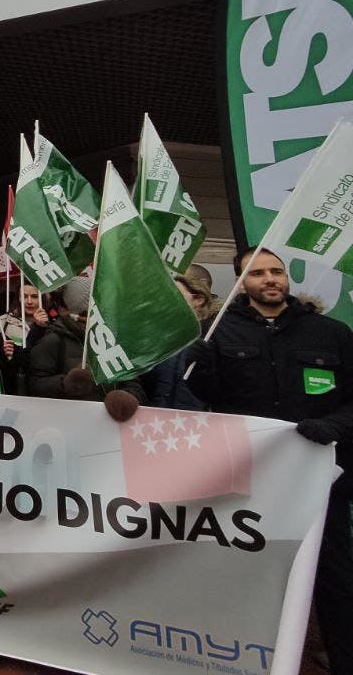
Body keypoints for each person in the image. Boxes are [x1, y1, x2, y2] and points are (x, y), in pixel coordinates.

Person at [186, 246, 353, 674]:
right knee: (250, 569)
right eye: (258, 273)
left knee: (333, 571)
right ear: (242, 283)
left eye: (276, 271)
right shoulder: (217, 333)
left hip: (320, 476)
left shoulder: (330, 333)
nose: (270, 279)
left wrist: (334, 425)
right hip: (253, 477)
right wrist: (200, 367)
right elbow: (210, 398)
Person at [27, 275, 143, 420]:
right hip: (68, 423)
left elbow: (133, 383)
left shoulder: (111, 341)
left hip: (108, 427)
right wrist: (65, 384)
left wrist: (127, 397)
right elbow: (34, 385)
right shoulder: (54, 340)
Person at [144, 274, 210, 410]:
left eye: (172, 292)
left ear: (198, 299)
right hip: (153, 419)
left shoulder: (213, 337)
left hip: (196, 420)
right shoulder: (152, 338)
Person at [0, 283, 50, 396]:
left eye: (34, 297)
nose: (29, 301)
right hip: (14, 386)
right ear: (18, 298)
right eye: (24, 296)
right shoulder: (4, 322)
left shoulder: (52, 323)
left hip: (42, 387)